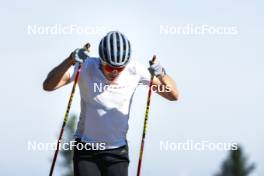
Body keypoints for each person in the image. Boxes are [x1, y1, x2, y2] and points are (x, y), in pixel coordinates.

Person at [43, 31, 179, 176]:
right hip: (86, 150)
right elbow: (48, 85)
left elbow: (173, 95)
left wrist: (161, 73)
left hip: (117, 152)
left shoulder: (135, 70)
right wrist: (70, 60)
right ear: (101, 61)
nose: (114, 72)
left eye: (120, 68)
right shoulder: (86, 66)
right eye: (109, 67)